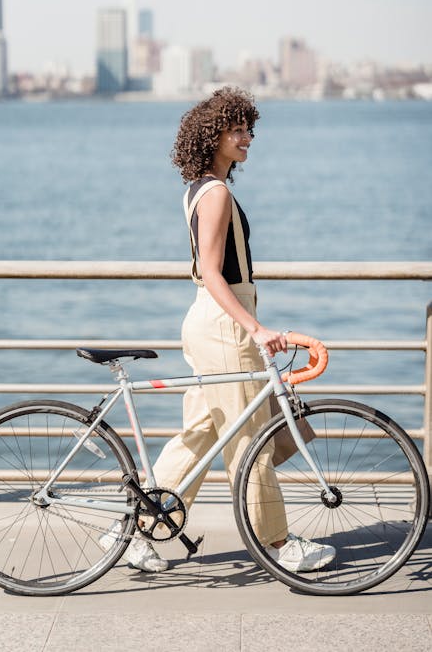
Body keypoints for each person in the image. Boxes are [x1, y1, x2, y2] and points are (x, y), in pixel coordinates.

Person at [106, 87, 335, 574]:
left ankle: (132, 531)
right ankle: (278, 545)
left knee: (201, 434)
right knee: (251, 438)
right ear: (214, 135)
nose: (248, 136)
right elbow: (213, 272)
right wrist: (255, 327)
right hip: (225, 325)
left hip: (209, 322)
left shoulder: (200, 190)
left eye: (250, 128)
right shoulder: (217, 194)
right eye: (238, 129)